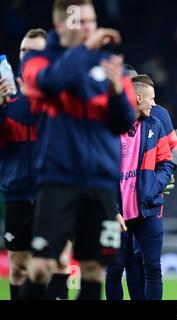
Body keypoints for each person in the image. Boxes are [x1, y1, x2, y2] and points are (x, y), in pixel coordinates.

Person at [20, 0, 136, 300]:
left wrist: (116, 93)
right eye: (80, 21)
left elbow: (123, 121)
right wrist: (85, 52)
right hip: (58, 181)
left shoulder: (111, 64)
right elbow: (50, 83)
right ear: (61, 25)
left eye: (92, 20)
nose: (88, 27)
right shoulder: (37, 61)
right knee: (42, 267)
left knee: (94, 269)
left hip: (100, 184)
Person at [1, 28, 72, 300]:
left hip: (55, 193)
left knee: (59, 263)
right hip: (18, 193)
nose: (28, 56)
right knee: (19, 268)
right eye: (24, 51)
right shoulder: (5, 97)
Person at [106, 74, 177, 300]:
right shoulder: (108, 127)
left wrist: (155, 185)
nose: (154, 104)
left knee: (153, 269)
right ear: (137, 98)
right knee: (114, 270)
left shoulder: (155, 125)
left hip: (148, 210)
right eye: (151, 99)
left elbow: (167, 161)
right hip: (114, 215)